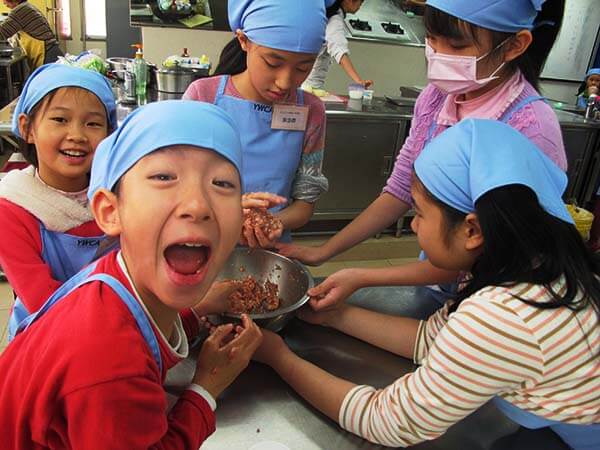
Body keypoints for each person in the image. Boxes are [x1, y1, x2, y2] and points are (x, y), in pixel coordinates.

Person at [254, 119, 600, 450]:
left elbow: (385, 420)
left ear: (472, 230)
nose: (414, 227)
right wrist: (334, 316)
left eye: (419, 213)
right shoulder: (539, 267)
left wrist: (279, 357)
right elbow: (432, 339)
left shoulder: (505, 314)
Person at [279, 0, 568, 318]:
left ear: (515, 45)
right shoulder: (436, 99)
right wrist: (324, 252)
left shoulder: (531, 128)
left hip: (492, 305)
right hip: (435, 280)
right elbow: (400, 189)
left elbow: (501, 259)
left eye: (456, 45)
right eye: (431, 39)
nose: (439, 54)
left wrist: (363, 276)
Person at [0, 100, 263, 449]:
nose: (198, 205)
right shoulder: (107, 364)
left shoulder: (114, 275)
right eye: (164, 177)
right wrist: (206, 389)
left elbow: (142, 321)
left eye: (223, 183)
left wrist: (196, 312)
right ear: (110, 211)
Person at [183, 0, 329, 247]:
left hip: (267, 250)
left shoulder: (311, 111)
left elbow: (304, 204)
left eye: (303, 68)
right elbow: (176, 186)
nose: (285, 82)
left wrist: (271, 222)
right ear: (243, 41)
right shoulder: (203, 97)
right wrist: (226, 210)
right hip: (201, 242)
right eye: (273, 63)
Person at [0, 63, 117, 340]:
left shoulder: (114, 195)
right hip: (46, 337)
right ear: (27, 128)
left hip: (113, 326)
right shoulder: (14, 208)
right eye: (60, 120)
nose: (76, 135)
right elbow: (44, 302)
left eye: (92, 123)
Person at [302, 0, 373, 96]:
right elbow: (339, 50)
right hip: (310, 88)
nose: (361, 4)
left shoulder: (327, 15)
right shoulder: (335, 20)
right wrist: (359, 81)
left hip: (307, 85)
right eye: (360, 1)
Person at [0, 0, 64, 69]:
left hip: (47, 55)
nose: (3, 3)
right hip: (51, 51)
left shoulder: (20, 10)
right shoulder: (26, 6)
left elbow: (2, 33)